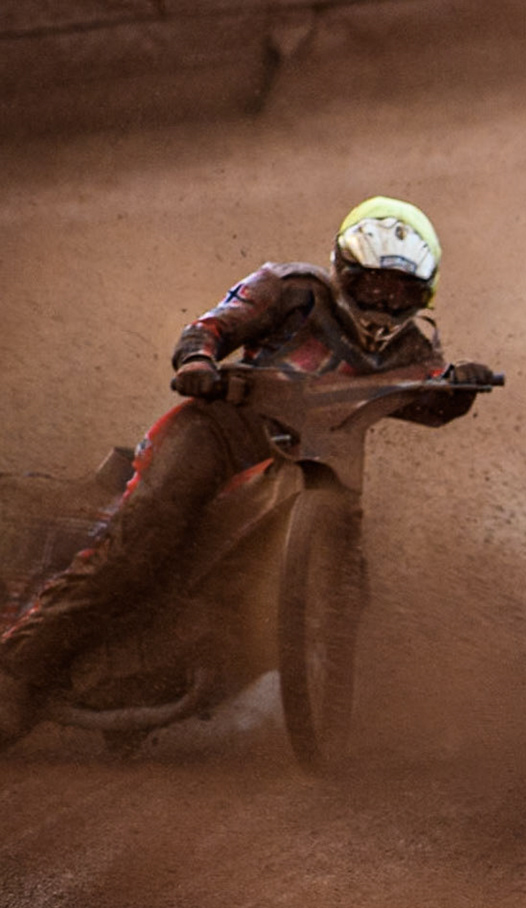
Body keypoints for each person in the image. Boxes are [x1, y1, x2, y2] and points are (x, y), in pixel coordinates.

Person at [0, 197, 493, 751]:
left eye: (400, 292)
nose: (383, 302)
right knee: (139, 545)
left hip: (320, 466)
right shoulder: (291, 290)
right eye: (372, 285)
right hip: (219, 432)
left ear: (423, 296)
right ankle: (18, 672)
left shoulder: (412, 349)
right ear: (342, 272)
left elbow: (432, 401)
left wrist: (460, 389)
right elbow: (211, 326)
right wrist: (197, 361)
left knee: (351, 587)